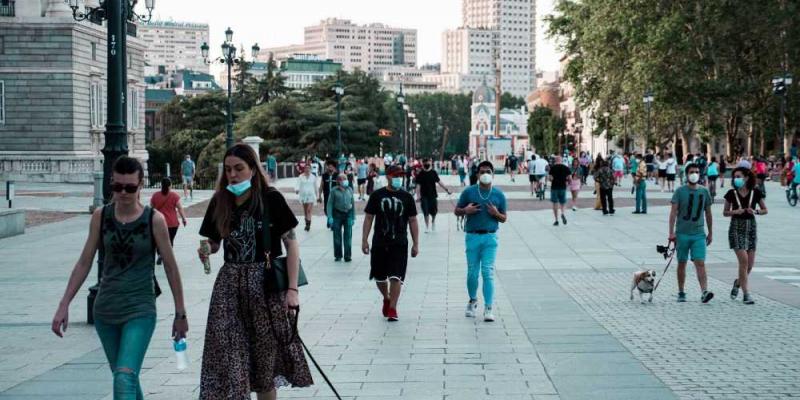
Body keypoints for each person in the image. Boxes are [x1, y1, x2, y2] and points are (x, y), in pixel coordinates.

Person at [52, 156, 188, 398]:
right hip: (105, 311)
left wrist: (180, 314)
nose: (123, 193)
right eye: (117, 187)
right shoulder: (101, 216)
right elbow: (84, 262)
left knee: (124, 377)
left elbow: (170, 267)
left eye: (130, 187)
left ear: (141, 185)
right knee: (127, 379)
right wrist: (64, 304)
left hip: (140, 309)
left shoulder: (153, 220)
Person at [198, 144, 312, 399]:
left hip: (265, 287)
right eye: (228, 170)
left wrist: (292, 290)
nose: (233, 175)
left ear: (253, 169)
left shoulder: (270, 199)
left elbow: (291, 243)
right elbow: (215, 243)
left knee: (264, 368)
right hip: (229, 289)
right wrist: (208, 248)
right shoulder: (220, 200)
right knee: (231, 361)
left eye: (239, 168)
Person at [362, 165, 419, 322]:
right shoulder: (377, 195)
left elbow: (413, 220)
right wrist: (364, 239)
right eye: (395, 175)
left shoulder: (407, 197)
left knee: (396, 276)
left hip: (399, 242)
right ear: (387, 176)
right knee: (379, 277)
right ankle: (386, 297)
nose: (398, 178)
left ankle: (393, 307)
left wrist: (416, 243)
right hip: (380, 241)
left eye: (400, 175)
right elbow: (368, 217)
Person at [454, 161, 507, 322]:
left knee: (487, 271)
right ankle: (472, 300)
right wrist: (466, 210)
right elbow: (456, 210)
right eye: (482, 171)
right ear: (477, 174)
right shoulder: (469, 192)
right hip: (472, 236)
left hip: (490, 237)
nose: (485, 174)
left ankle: (489, 307)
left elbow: (504, 218)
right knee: (472, 272)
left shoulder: (498, 195)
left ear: (493, 174)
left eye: (488, 171)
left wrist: (496, 213)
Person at [668, 163, 714, 303]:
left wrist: (710, 232)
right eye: (692, 172)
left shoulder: (704, 191)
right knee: (682, 263)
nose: (694, 174)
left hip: (698, 234)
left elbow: (708, 213)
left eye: (696, 172)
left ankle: (704, 291)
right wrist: (671, 232)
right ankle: (681, 291)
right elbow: (673, 213)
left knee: (700, 262)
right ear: (686, 175)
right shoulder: (680, 191)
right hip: (682, 233)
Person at [723, 167, 768, 305]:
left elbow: (765, 210)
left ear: (747, 177)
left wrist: (755, 211)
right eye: (735, 177)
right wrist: (735, 211)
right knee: (743, 261)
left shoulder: (756, 192)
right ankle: (746, 294)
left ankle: (738, 283)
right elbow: (725, 212)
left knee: (749, 265)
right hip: (736, 228)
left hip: (751, 228)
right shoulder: (731, 193)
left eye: (739, 176)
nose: (736, 179)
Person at [150, 177, 187, 265]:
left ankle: (160, 254)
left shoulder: (155, 195)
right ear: (170, 186)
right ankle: (167, 257)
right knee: (170, 240)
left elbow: (151, 209)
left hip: (159, 223)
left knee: (159, 240)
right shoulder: (174, 196)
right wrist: (184, 219)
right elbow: (180, 208)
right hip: (172, 223)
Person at [415, 157, 452, 233]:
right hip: (424, 196)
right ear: (423, 164)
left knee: (434, 211)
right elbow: (418, 186)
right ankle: (427, 227)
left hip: (433, 195)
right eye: (425, 163)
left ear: (430, 163)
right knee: (425, 211)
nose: (427, 164)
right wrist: (418, 196)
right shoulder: (420, 174)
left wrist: (447, 189)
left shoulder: (433, 172)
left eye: (428, 162)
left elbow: (439, 182)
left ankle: (433, 221)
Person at [327, 173, 355, 262]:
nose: (345, 180)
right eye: (343, 179)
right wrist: (330, 217)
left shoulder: (350, 189)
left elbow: (353, 203)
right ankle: (338, 255)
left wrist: (353, 217)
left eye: (346, 178)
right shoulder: (334, 190)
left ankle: (348, 255)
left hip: (348, 214)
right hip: (337, 215)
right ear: (339, 181)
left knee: (348, 236)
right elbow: (330, 204)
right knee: (337, 236)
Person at [548, 156, 571, 225]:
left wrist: (553, 179)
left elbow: (550, 178)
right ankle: (562, 213)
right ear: (561, 161)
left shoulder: (552, 168)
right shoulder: (566, 168)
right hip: (563, 187)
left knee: (555, 203)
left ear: (555, 161)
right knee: (563, 203)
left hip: (554, 187)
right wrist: (567, 182)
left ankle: (556, 220)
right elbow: (570, 178)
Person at [295, 164, 319, 231]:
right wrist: (297, 189)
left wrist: (317, 196)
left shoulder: (313, 177)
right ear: (304, 169)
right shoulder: (301, 176)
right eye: (306, 168)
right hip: (303, 195)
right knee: (305, 211)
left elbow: (315, 187)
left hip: (311, 195)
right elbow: (298, 184)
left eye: (309, 168)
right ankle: (306, 222)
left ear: (310, 169)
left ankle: (308, 225)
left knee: (309, 210)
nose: (307, 169)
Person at [319, 159, 338, 227]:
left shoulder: (337, 175)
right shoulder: (324, 175)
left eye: (331, 167)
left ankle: (332, 222)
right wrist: (319, 195)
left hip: (335, 195)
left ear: (334, 167)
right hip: (326, 194)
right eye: (328, 166)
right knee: (326, 209)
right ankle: (329, 218)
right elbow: (321, 185)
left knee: (334, 208)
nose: (329, 168)